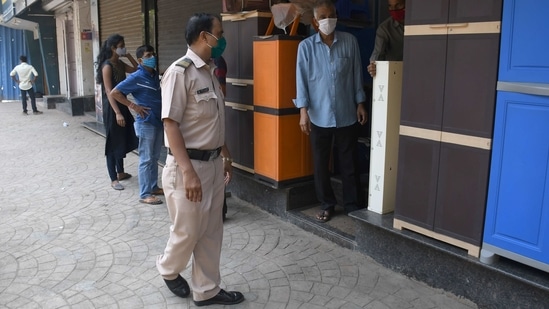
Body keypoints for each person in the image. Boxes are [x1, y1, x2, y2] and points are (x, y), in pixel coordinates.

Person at [156, 13, 243, 306]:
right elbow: (170, 124)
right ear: (205, 36)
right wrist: (188, 172)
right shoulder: (179, 73)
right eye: (219, 33)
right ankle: (168, 269)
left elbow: (213, 123)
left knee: (211, 231)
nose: (223, 39)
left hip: (214, 164)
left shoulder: (208, 72)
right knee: (188, 231)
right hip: (188, 168)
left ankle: (206, 290)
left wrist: (225, 155)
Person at [293, 0, 367, 223]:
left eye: (332, 15)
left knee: (349, 163)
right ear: (315, 22)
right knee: (321, 164)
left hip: (346, 113)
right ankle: (327, 204)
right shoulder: (305, 47)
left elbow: (356, 75)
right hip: (318, 115)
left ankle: (353, 205)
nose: (328, 20)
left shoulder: (350, 42)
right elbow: (302, 81)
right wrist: (303, 112)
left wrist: (360, 103)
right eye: (323, 17)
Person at [110, 45, 164, 204]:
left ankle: (153, 187)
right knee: (146, 159)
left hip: (157, 121)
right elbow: (115, 93)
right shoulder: (136, 76)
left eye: (153, 53)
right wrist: (133, 106)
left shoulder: (154, 75)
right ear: (140, 60)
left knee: (154, 157)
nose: (152, 57)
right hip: (145, 123)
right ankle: (145, 194)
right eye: (148, 55)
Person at [95, 34, 139, 191]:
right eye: (121, 46)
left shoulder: (119, 63)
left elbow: (136, 69)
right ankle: (113, 178)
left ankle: (120, 172)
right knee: (113, 141)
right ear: (113, 48)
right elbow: (108, 91)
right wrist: (117, 113)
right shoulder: (107, 66)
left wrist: (129, 55)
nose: (123, 47)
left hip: (122, 104)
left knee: (123, 137)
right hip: (112, 107)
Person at [367, 0, 405, 77]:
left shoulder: (419, 24)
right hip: (396, 74)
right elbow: (377, 53)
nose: (394, 9)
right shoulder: (385, 29)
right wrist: (373, 66)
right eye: (390, 6)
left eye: (398, 5)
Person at [213, 55, 229, 221]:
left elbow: (222, 91)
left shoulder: (217, 62)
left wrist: (228, 156)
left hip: (215, 125)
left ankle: (220, 210)